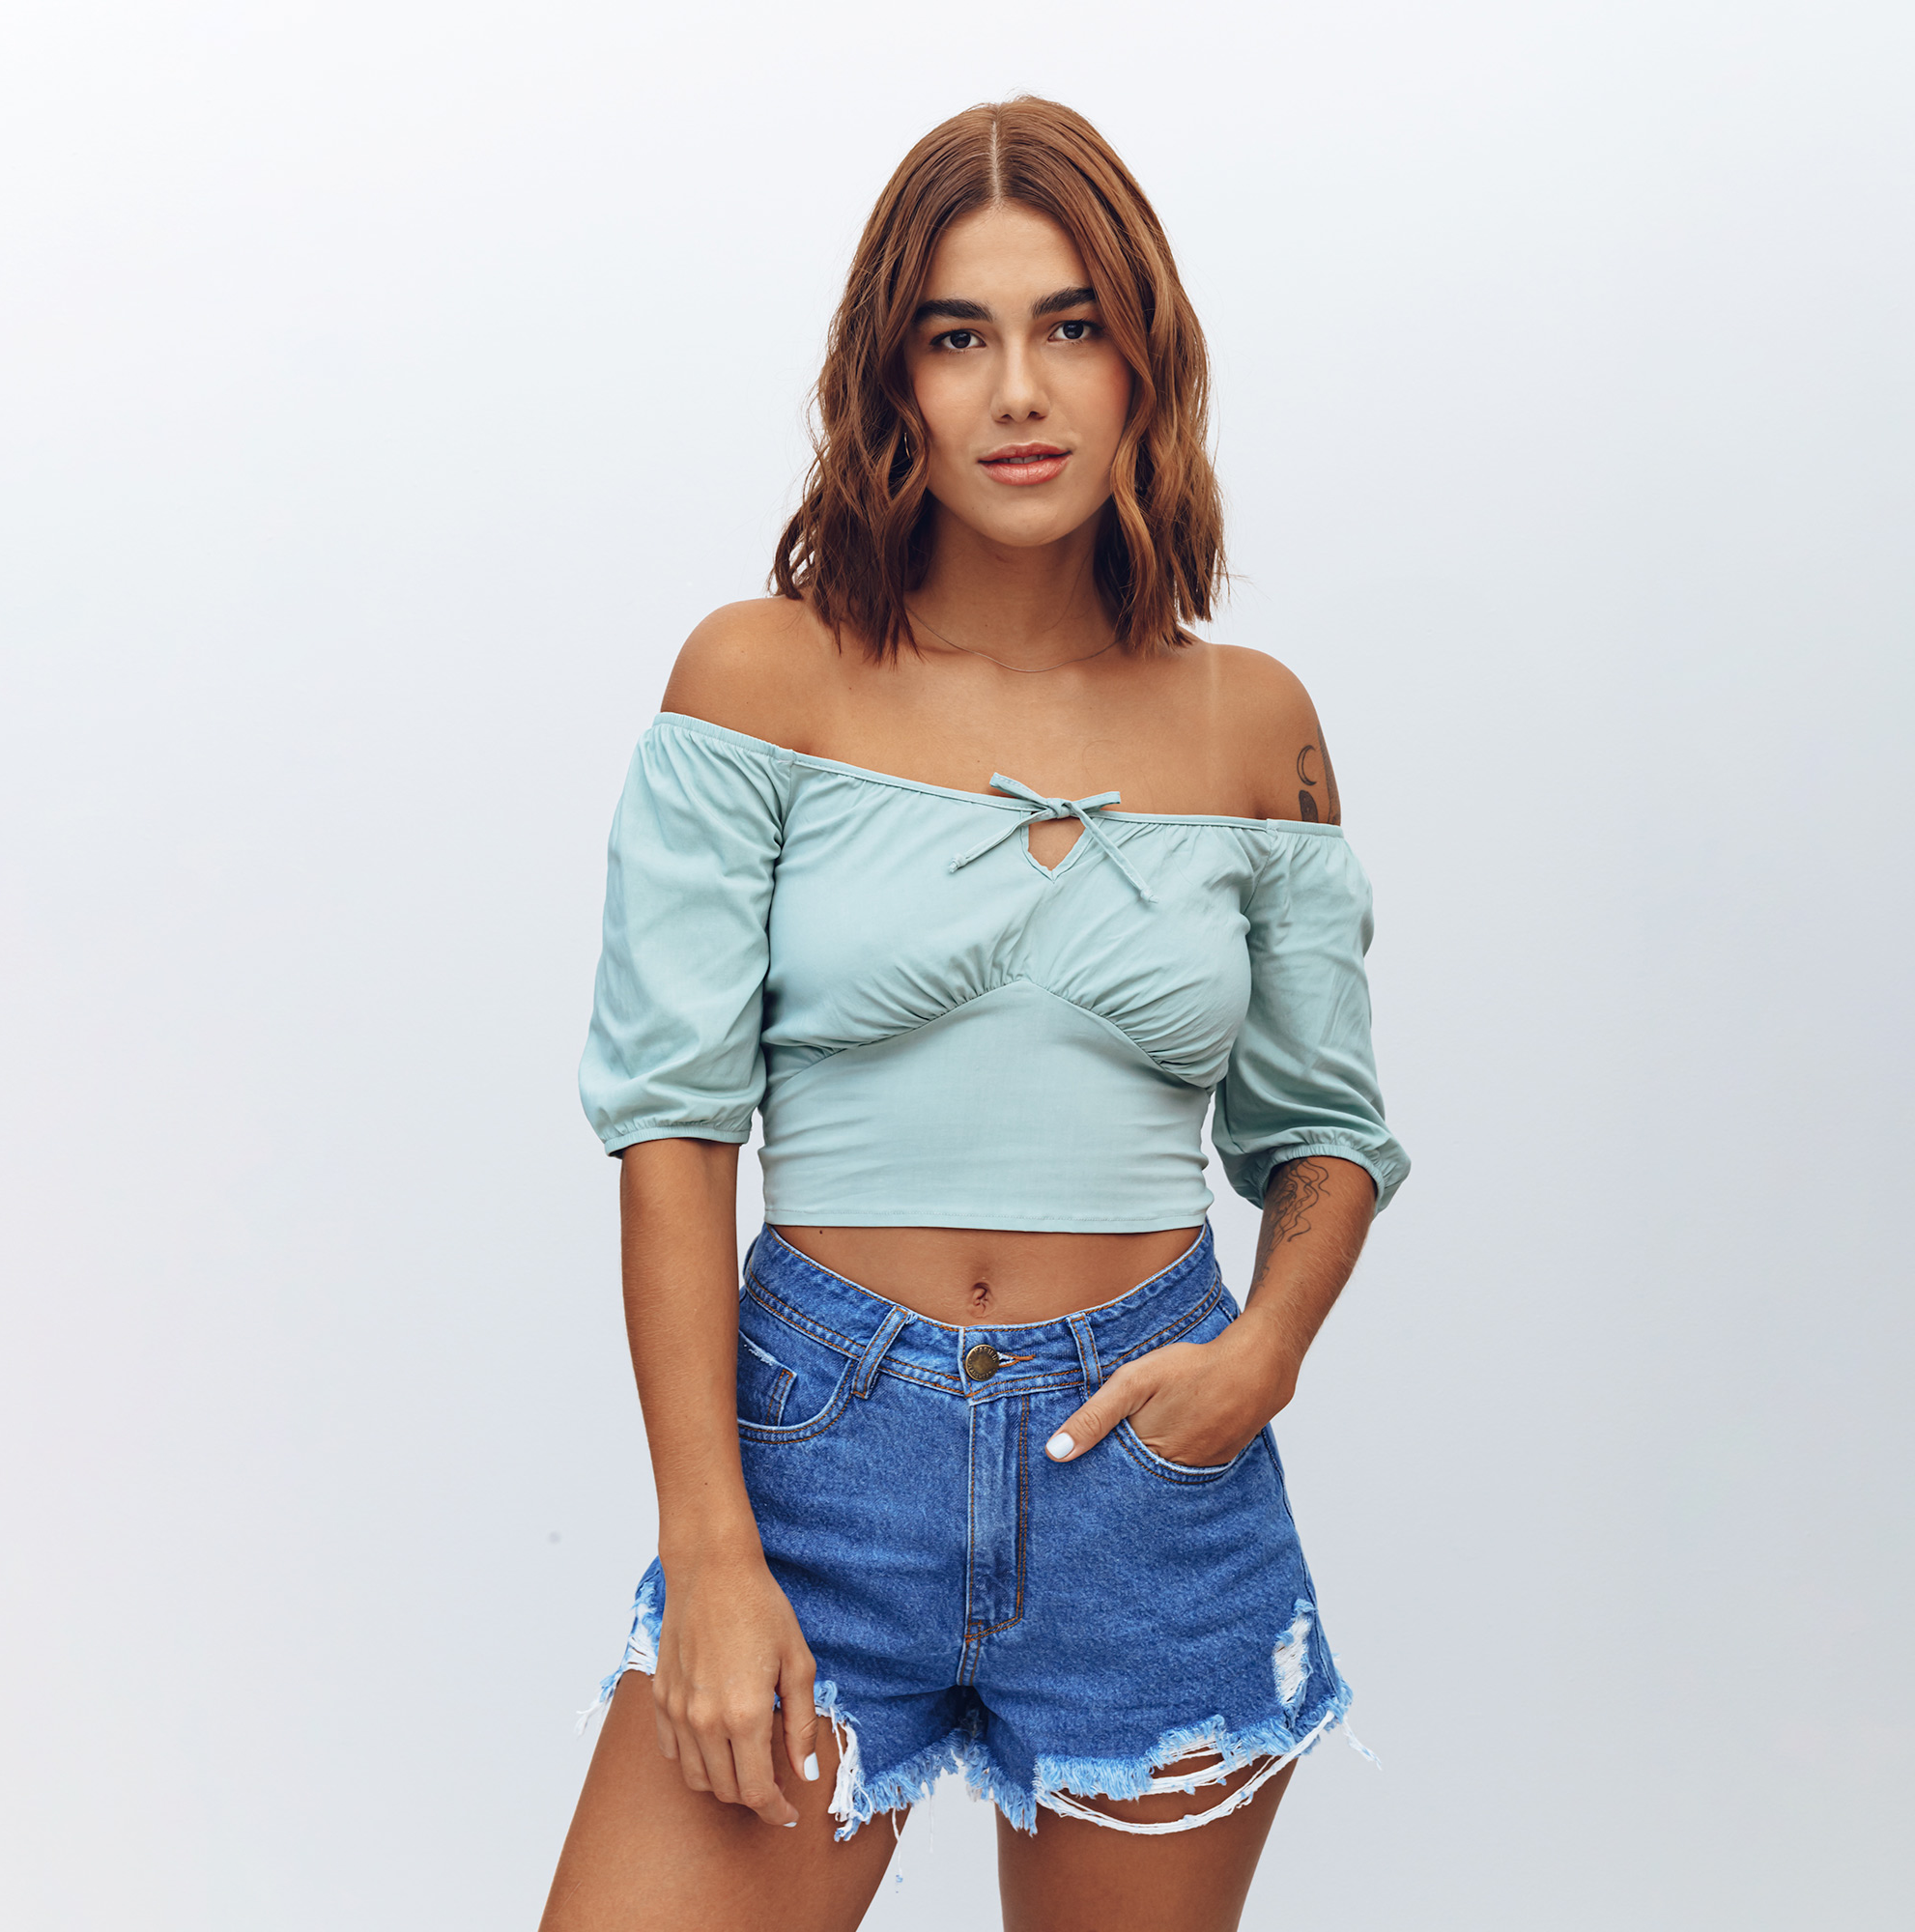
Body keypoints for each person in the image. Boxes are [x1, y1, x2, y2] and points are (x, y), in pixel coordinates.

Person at [540, 97, 1409, 1932]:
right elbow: (673, 1124)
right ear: (895, 383)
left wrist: (1265, 1351)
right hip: (814, 1464)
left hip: (1149, 1481)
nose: (1020, 391)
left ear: (1143, 364)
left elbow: (1325, 1132)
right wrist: (711, 1546)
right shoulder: (758, 680)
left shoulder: (1254, 725)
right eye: (960, 336)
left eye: (1069, 326)